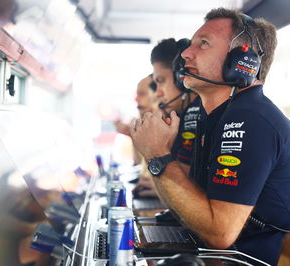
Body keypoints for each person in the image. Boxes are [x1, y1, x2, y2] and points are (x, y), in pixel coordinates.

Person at [130, 8, 290, 265]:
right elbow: (195, 205)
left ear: (241, 60)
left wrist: (157, 154)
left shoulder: (249, 119)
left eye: (203, 44)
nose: (185, 54)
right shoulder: (216, 116)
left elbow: (220, 234)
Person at [132, 38, 198, 198]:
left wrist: (164, 190)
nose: (158, 93)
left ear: (181, 78)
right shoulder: (183, 117)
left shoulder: (194, 115)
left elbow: (184, 188)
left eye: (161, 81)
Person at [114, 74, 158, 165]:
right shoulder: (139, 124)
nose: (136, 99)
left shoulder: (164, 127)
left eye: (142, 94)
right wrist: (132, 136)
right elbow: (140, 166)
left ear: (157, 95)